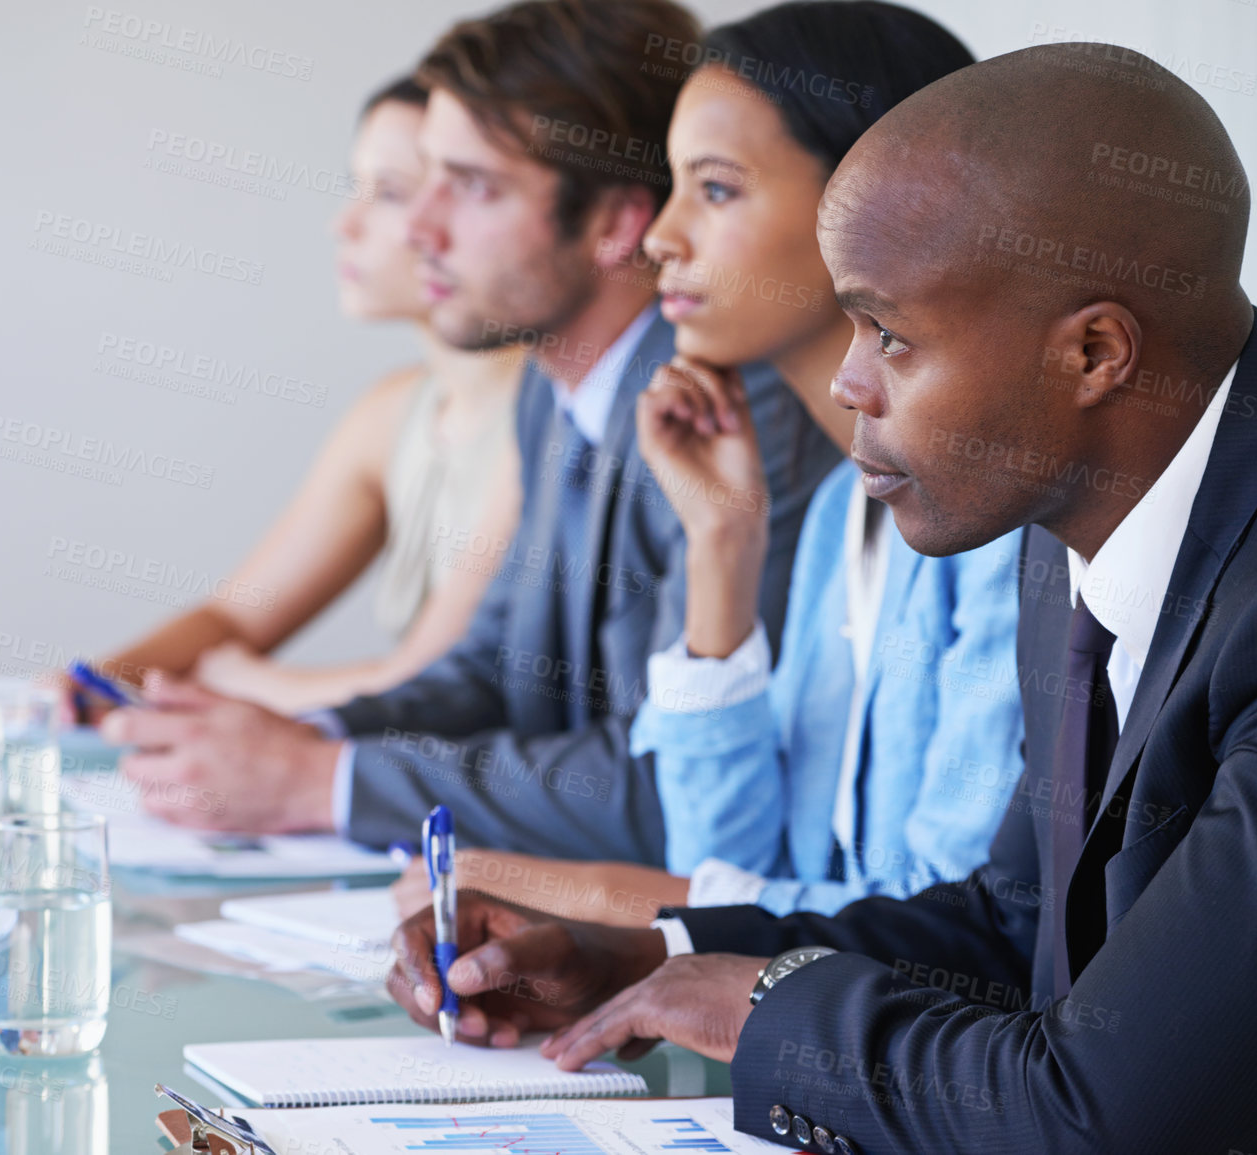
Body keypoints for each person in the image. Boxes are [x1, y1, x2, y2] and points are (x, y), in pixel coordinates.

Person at [387, 41, 1257, 1154]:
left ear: (1094, 354)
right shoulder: (1072, 502)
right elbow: (1009, 926)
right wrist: (650, 958)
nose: (847, 381)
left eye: (891, 334)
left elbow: (1109, 1115)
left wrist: (773, 1013)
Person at [99, 0, 839, 858]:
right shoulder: (551, 388)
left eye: (474, 186)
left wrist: (319, 781)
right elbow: (491, 671)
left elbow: (664, 781)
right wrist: (303, 733)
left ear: (614, 222)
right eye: (426, 177)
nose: (418, 229)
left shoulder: (734, 416)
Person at [390, 0, 1023, 928]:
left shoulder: (998, 524)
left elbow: (944, 936)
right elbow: (729, 862)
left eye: (716, 191)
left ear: (883, 200)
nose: (659, 238)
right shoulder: (832, 519)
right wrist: (722, 546)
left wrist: (594, 897)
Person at [88, 77, 525, 718]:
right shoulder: (394, 413)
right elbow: (235, 614)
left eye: (390, 193)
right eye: (358, 186)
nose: (344, 223)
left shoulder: (551, 420)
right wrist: (94, 686)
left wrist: (245, 682)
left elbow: (422, 681)